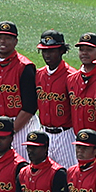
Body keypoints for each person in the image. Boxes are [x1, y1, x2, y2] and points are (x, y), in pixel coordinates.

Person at [30, 32, 78, 165]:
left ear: (62, 51)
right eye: (44, 51)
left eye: (51, 51)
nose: (47, 55)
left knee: (69, 176)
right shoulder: (39, 74)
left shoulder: (71, 76)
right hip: (44, 132)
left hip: (66, 135)